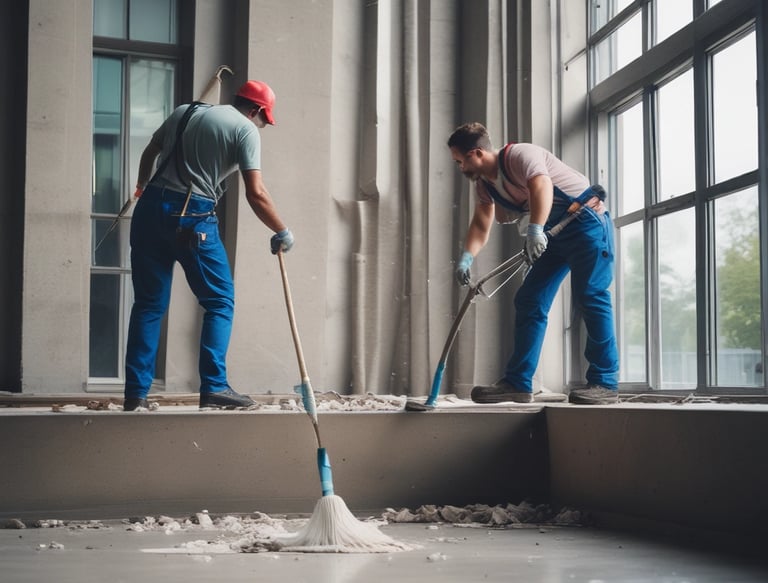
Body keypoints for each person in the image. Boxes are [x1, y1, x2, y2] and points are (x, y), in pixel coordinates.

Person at [123, 80, 294, 411]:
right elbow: (256, 193)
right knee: (219, 302)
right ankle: (214, 387)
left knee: (148, 304)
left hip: (148, 213)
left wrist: (142, 189)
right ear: (257, 111)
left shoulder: (185, 111)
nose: (261, 125)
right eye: (263, 119)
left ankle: (135, 395)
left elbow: (149, 152)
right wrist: (281, 229)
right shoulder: (246, 130)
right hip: (191, 216)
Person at [447, 122, 619, 405]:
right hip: (552, 232)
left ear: (476, 154)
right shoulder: (485, 185)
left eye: (460, 161)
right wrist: (467, 258)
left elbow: (542, 185)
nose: (459, 167)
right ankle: (518, 382)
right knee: (529, 300)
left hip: (585, 223)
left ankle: (605, 382)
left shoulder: (519, 155)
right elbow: (481, 222)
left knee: (591, 295)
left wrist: (535, 230)